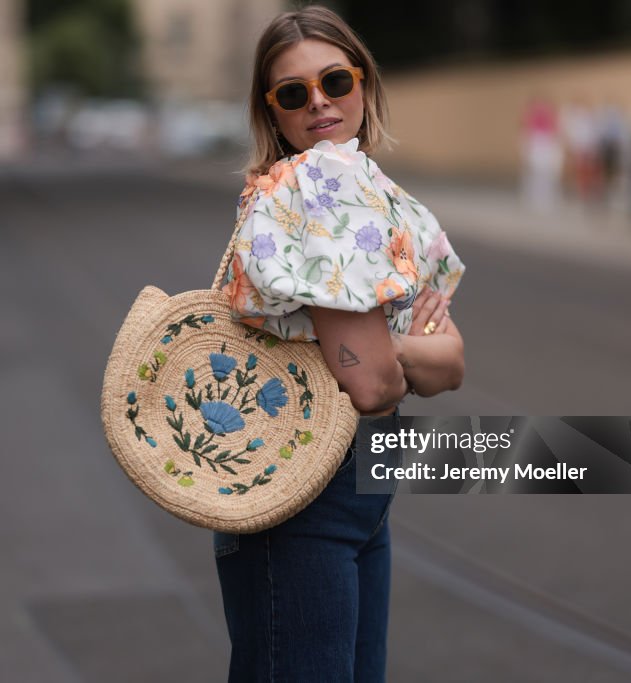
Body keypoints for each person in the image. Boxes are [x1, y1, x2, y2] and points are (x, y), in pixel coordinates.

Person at [213, 6, 466, 681]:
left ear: (364, 81)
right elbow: (375, 383)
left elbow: (454, 364)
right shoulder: (307, 188)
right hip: (303, 494)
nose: (319, 102)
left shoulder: (377, 192)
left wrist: (387, 351)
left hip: (364, 481)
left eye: (335, 80)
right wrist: (399, 347)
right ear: (273, 113)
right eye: (293, 93)